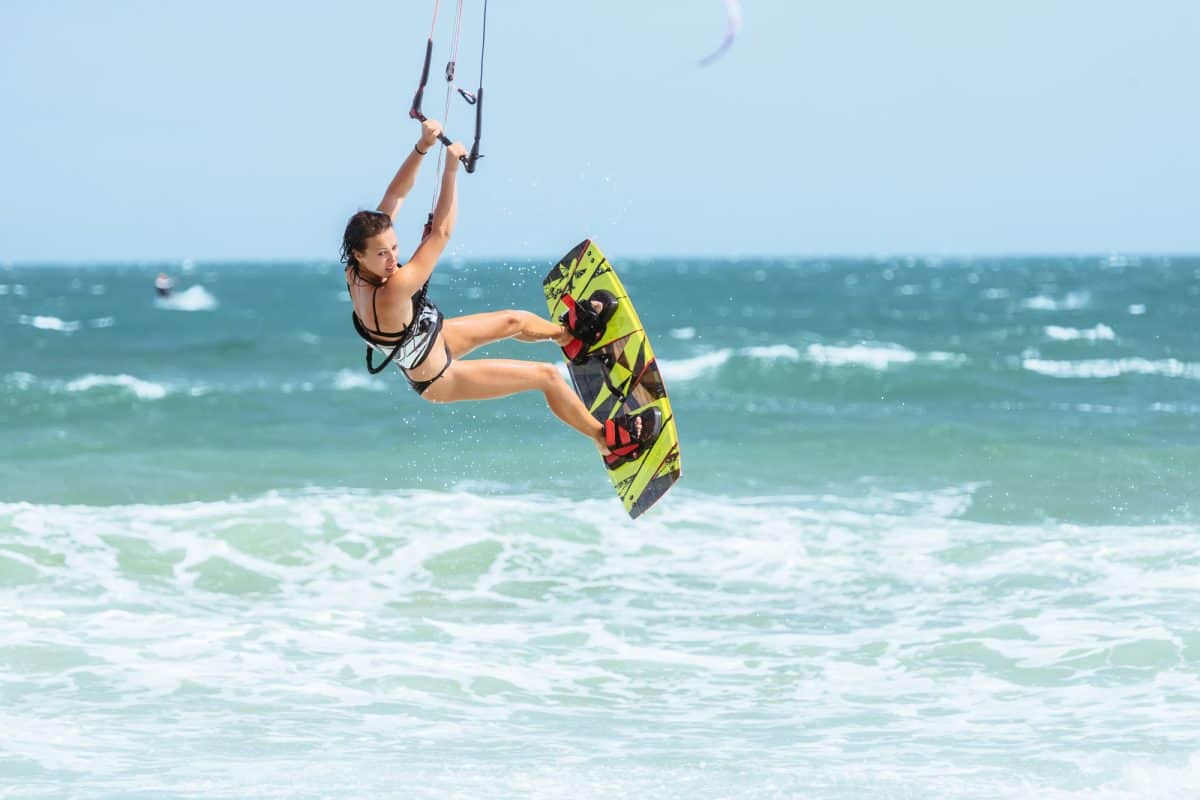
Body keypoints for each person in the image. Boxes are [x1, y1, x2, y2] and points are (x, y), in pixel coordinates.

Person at [341, 119, 661, 466]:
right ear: (360, 254)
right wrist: (451, 169)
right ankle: (607, 442)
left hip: (433, 338)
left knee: (516, 319)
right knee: (546, 376)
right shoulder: (393, 290)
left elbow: (396, 196)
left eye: (394, 247)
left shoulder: (358, 263)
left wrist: (422, 147)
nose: (392, 259)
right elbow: (442, 233)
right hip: (439, 377)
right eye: (382, 254)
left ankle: (569, 336)